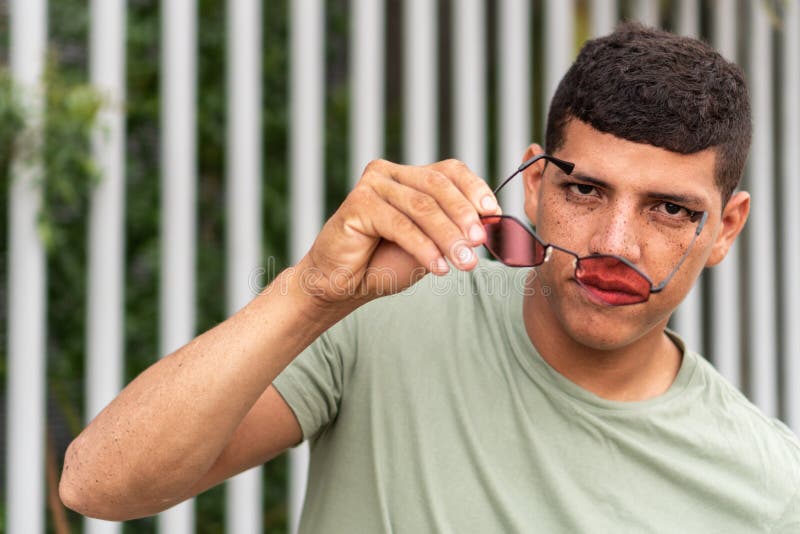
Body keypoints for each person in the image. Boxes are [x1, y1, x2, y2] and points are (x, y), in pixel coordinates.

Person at [60, 23, 800, 532]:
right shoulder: (384, 318)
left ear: (725, 230)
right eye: (585, 190)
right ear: (535, 184)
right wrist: (312, 293)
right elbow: (99, 486)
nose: (614, 243)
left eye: (669, 210)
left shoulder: (767, 488)